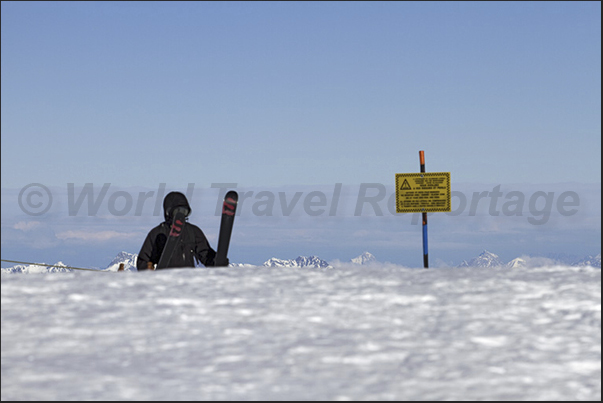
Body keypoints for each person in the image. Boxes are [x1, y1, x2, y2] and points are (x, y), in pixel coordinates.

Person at [136, 191, 218, 270]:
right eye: (177, 211)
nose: (181, 214)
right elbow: (143, 260)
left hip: (188, 281)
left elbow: (205, 254)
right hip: (164, 281)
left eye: (184, 211)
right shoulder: (157, 233)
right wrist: (147, 269)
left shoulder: (193, 231)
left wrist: (217, 260)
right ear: (168, 212)